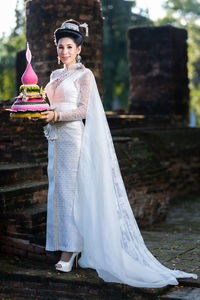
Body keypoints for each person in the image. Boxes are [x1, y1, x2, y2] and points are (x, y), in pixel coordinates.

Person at [41, 19, 197, 288]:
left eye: (69, 46)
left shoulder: (84, 75)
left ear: (78, 49)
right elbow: (47, 104)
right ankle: (63, 244)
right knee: (57, 191)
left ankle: (71, 249)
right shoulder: (55, 77)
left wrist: (56, 114)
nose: (64, 51)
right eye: (60, 47)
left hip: (72, 137)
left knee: (71, 192)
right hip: (54, 138)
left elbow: (82, 111)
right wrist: (36, 111)